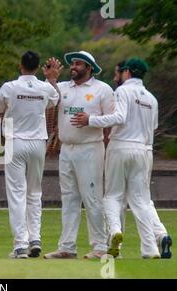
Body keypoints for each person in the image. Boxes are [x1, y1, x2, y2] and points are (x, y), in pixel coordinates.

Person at [74, 59, 172, 258]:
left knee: (112, 196)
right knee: (142, 201)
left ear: (127, 72)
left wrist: (90, 120)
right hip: (144, 150)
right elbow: (152, 127)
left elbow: (119, 117)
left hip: (121, 147)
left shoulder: (122, 91)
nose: (116, 75)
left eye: (119, 72)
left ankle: (115, 232)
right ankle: (150, 248)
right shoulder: (152, 99)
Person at [43, 51, 113, 259]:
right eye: (72, 64)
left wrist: (90, 120)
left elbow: (113, 118)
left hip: (90, 148)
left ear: (89, 67)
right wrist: (51, 80)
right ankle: (67, 246)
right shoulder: (63, 87)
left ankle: (100, 245)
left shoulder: (103, 89)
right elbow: (48, 100)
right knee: (69, 198)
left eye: (78, 64)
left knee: (91, 197)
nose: (73, 67)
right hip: (67, 149)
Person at [0, 51, 59, 258]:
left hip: (15, 142)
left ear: (20, 66)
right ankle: (35, 238)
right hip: (38, 143)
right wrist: (52, 78)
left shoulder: (9, 87)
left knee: (17, 194)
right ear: (37, 68)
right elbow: (54, 100)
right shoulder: (45, 88)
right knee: (34, 193)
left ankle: (21, 244)